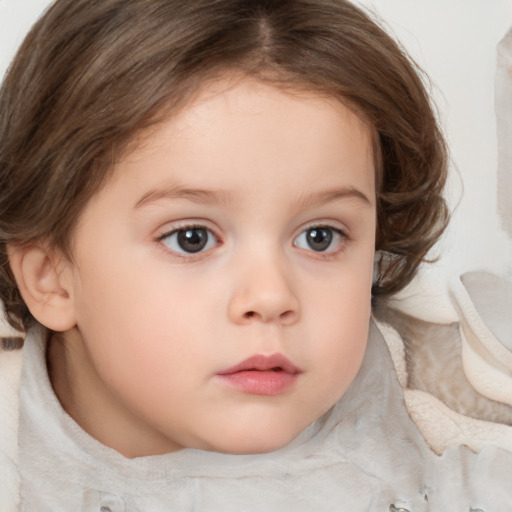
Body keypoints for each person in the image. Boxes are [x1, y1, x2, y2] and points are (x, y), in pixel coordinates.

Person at [0, 0, 511, 510]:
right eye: (192, 238)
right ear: (51, 278)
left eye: (320, 237)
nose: (270, 296)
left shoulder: (463, 444)